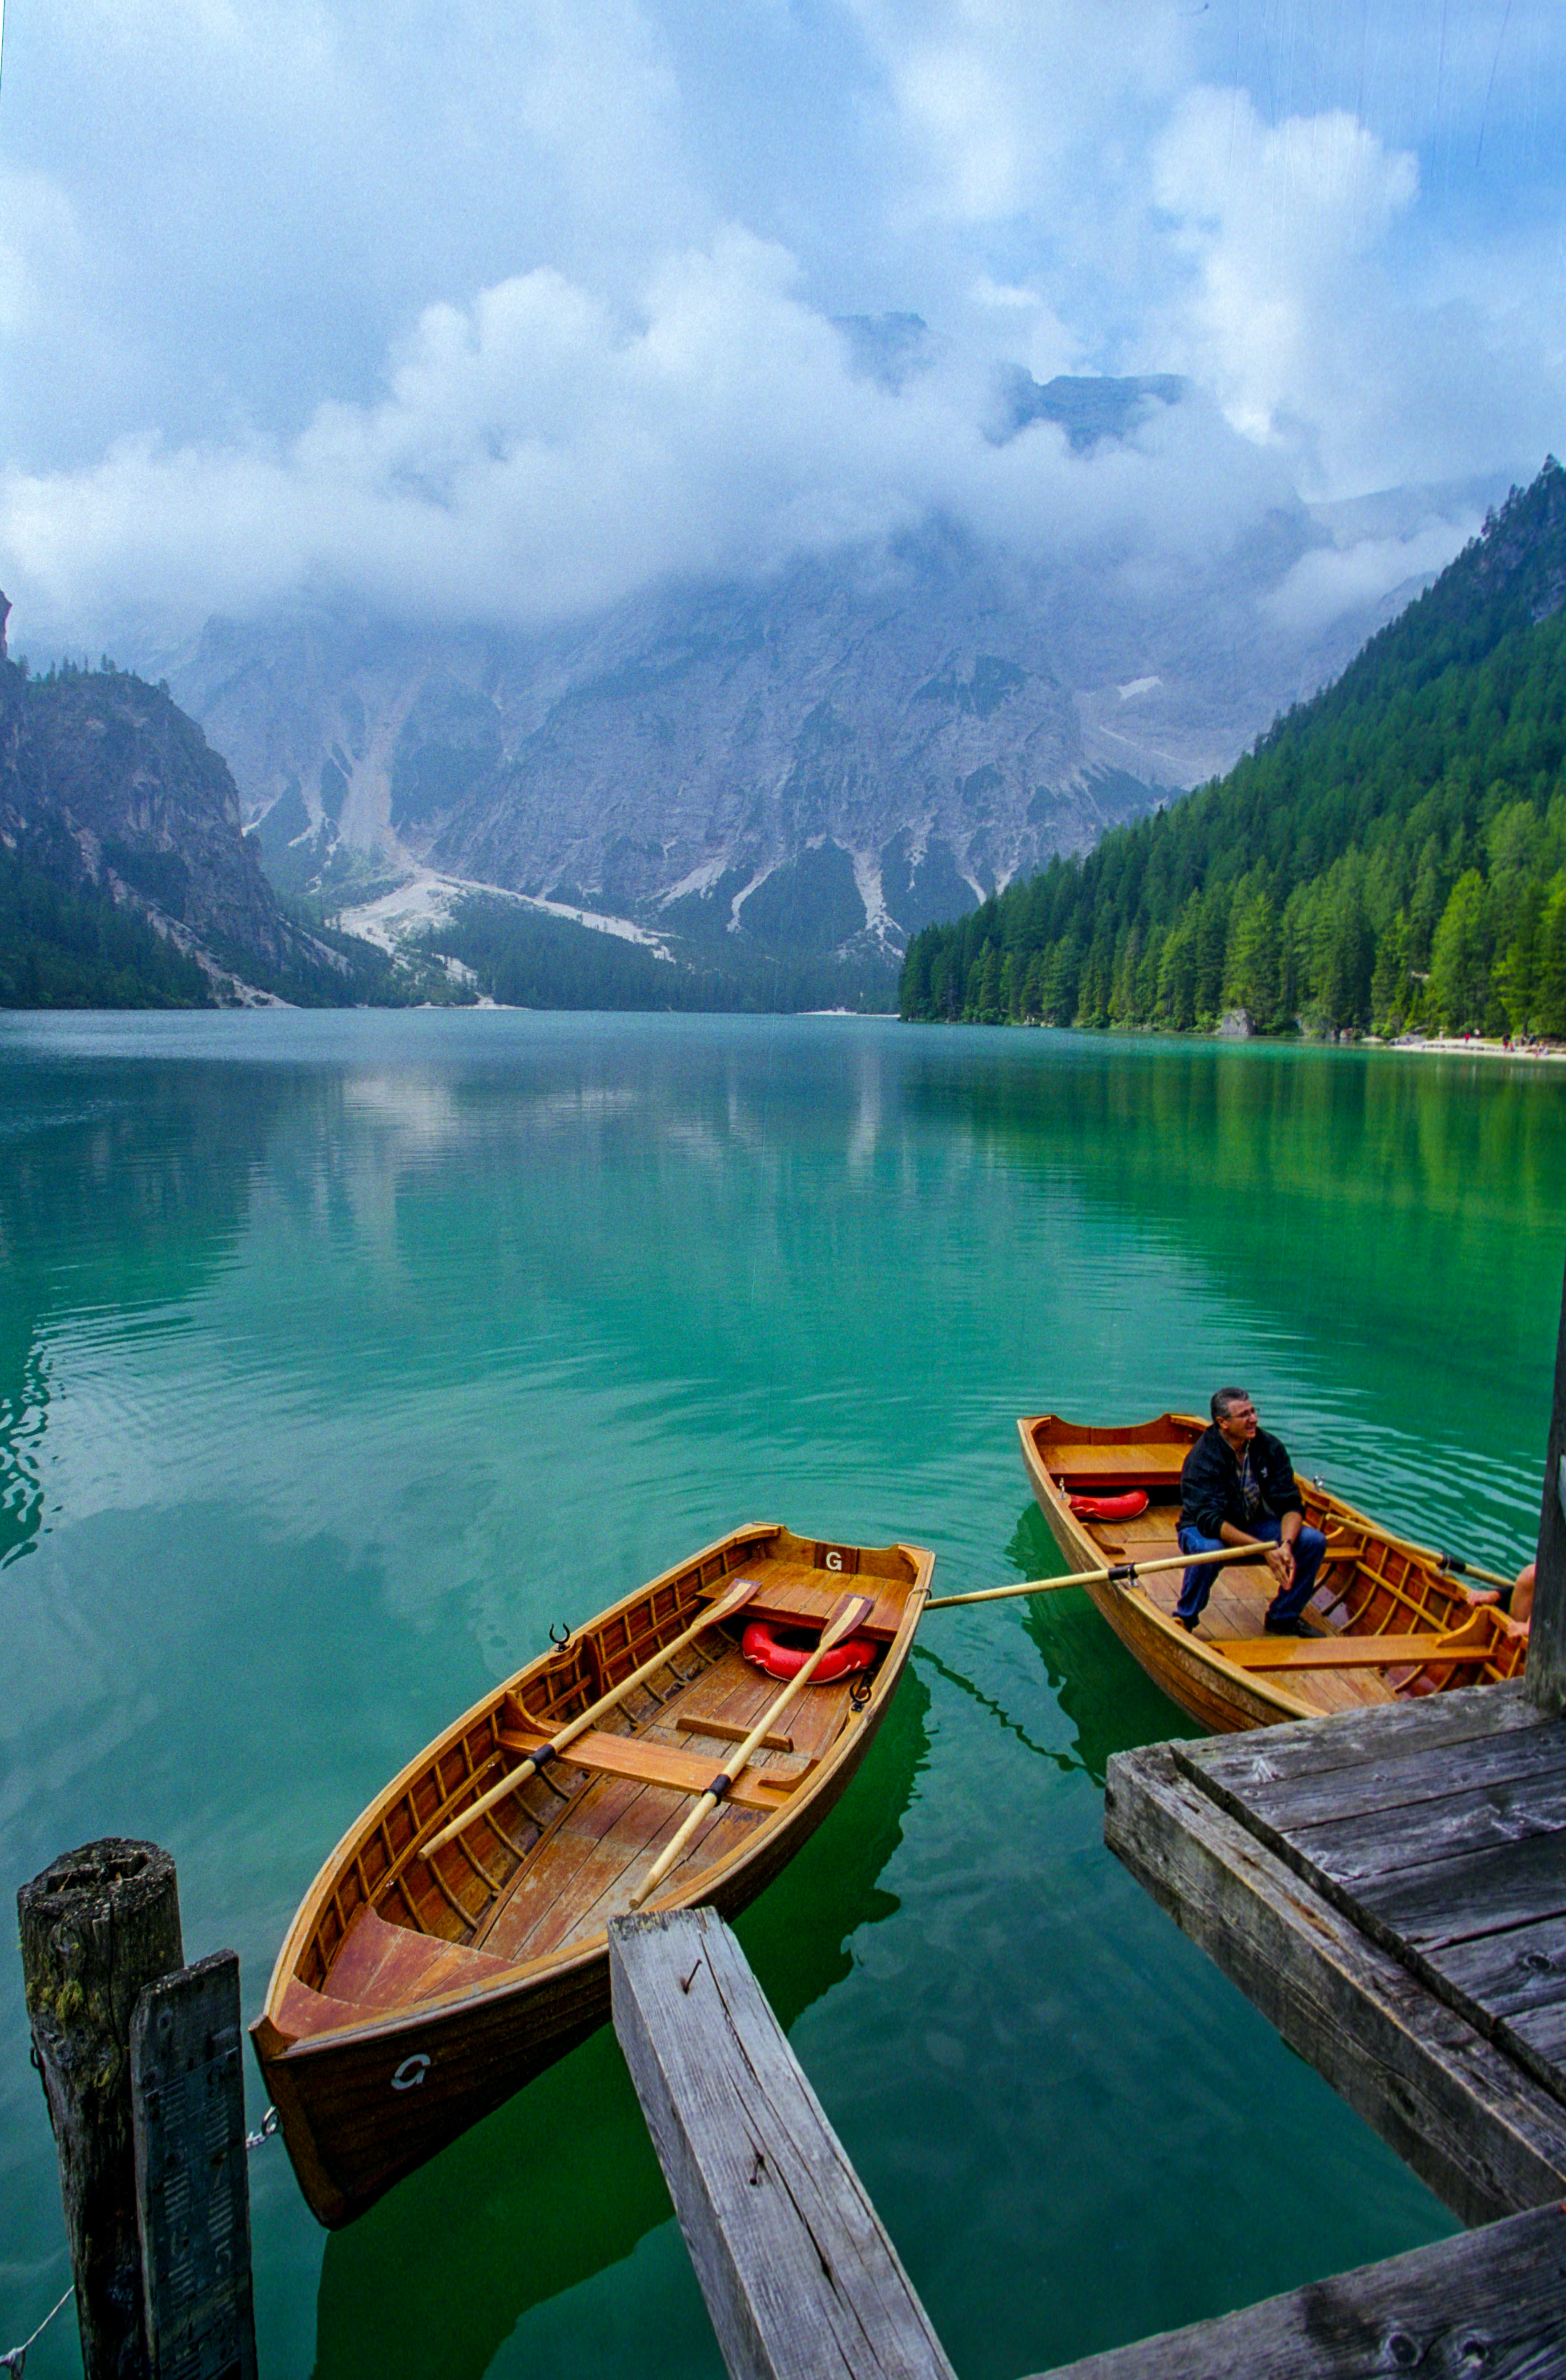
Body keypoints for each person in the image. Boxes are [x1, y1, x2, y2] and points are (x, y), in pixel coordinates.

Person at [1176, 1388, 1328, 1635]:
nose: (1253, 1419)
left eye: (1253, 1411)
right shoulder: (1202, 1458)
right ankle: (1185, 1619)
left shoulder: (1269, 1447)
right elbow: (1210, 1521)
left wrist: (1286, 1544)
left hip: (1253, 1523)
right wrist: (1265, 1549)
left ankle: (1283, 1617)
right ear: (1223, 1423)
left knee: (1313, 1541)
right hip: (1203, 1528)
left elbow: (1290, 1503)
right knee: (1209, 1551)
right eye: (1244, 1415)